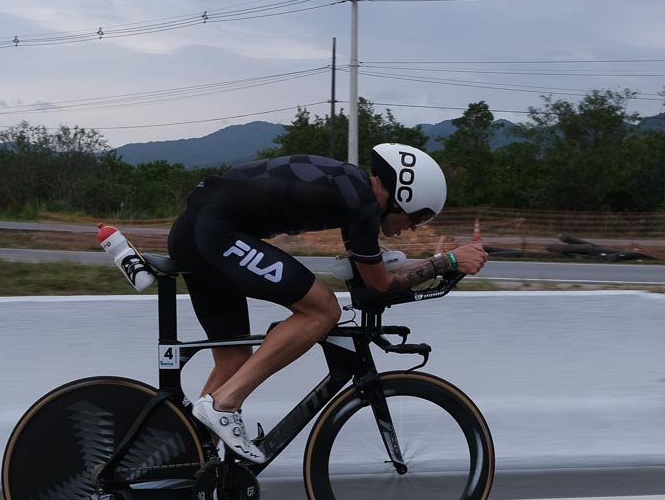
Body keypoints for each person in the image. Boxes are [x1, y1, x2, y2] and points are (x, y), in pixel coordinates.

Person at [167, 143, 487, 463]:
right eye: (419, 216)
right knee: (323, 309)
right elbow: (380, 284)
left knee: (234, 362)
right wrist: (447, 262)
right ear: (403, 195)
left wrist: (434, 263)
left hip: (198, 231)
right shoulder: (362, 202)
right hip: (213, 233)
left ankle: (188, 461)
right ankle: (224, 404)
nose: (414, 227)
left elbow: (368, 279)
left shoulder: (352, 190)